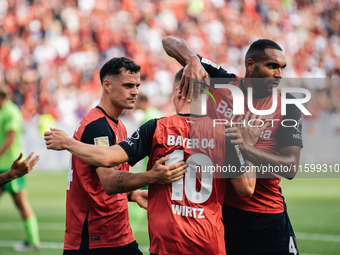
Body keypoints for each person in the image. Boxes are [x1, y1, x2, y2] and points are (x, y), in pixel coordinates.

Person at [45, 68, 258, 255]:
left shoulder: (155, 128)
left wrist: (68, 143)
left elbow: (107, 157)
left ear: (178, 91)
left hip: (167, 241)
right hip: (208, 240)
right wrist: (248, 147)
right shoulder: (225, 132)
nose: (135, 91)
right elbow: (246, 189)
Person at [162, 36, 303, 255]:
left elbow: (290, 168)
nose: (279, 74)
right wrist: (193, 60)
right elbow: (169, 42)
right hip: (223, 213)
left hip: (268, 216)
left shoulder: (288, 105)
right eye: (272, 66)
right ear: (250, 65)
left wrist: (246, 147)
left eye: (282, 68)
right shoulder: (223, 82)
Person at [46, 57, 186, 255]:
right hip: (96, 238)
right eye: (128, 85)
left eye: (137, 86)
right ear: (107, 85)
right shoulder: (97, 127)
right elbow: (110, 182)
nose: (135, 92)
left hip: (115, 233)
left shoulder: (117, 125)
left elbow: (100, 179)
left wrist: (132, 194)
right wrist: (152, 177)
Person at [0, 86, 41, 251]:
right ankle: (33, 241)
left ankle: (34, 241)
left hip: (11, 165)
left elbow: (10, 138)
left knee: (21, 203)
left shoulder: (10, 111)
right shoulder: (4, 110)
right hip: (3, 164)